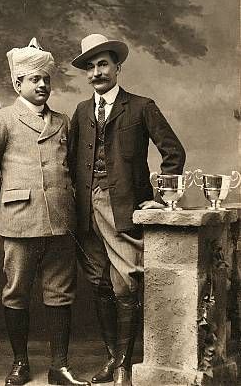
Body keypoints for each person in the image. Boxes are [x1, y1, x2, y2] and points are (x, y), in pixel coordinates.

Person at [0, 38, 90, 386]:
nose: (42, 85)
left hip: (60, 221)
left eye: (45, 79)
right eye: (34, 79)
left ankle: (59, 366)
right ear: (17, 83)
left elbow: (71, 169)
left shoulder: (62, 121)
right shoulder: (0, 120)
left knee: (60, 292)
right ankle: (20, 363)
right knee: (16, 292)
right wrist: (4, 201)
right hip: (19, 221)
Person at [68, 34, 186, 386]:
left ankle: (123, 367)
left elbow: (173, 152)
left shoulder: (141, 106)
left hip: (122, 210)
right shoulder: (82, 111)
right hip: (85, 211)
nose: (96, 73)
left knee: (125, 285)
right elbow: (71, 160)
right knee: (99, 282)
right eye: (90, 67)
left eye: (103, 64)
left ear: (117, 67)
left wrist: (162, 198)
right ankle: (111, 359)